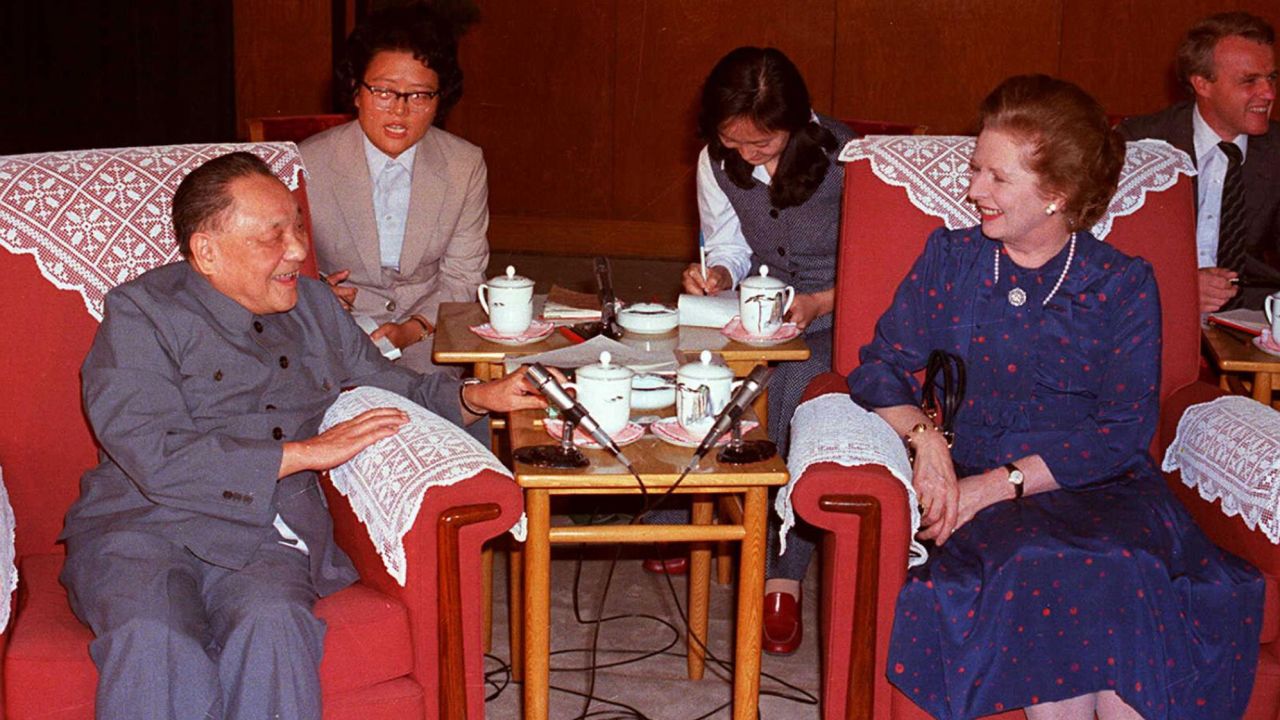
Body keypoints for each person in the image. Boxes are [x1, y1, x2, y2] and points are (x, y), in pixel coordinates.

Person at [58, 152, 546, 719]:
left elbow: (393, 387)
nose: (296, 250)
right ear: (207, 251)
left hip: (262, 529)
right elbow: (150, 450)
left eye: (297, 228)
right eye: (274, 235)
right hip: (140, 525)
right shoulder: (142, 313)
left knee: (274, 625)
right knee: (152, 638)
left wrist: (478, 397)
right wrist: (304, 453)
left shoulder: (314, 306)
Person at [849, 74, 1262, 719]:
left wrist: (995, 487)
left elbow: (1121, 432)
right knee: (1041, 564)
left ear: (1057, 195)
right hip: (986, 494)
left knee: (1124, 567)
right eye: (975, 169)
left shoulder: (1122, 284)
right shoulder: (952, 259)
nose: (974, 190)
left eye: (997, 177)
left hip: (1100, 487)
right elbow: (880, 367)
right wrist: (925, 441)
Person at [648, 46, 853, 656]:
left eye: (761, 143)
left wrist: (821, 301)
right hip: (761, 303)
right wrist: (716, 275)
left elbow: (881, 264)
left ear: (795, 122)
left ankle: (781, 572)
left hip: (841, 307)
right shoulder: (718, 160)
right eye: (731, 142)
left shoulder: (848, 157)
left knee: (791, 385)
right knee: (688, 362)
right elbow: (731, 246)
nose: (745, 155)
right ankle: (695, 514)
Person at [301, 2, 488, 373]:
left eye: (419, 95)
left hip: (429, 333)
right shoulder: (308, 163)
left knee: (440, 403)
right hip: (334, 332)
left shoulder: (464, 165)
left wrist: (411, 330)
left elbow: (463, 277)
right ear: (356, 91)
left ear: (440, 99)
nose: (400, 111)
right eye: (384, 92)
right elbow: (280, 268)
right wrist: (317, 292)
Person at [1119, 11, 1279, 313]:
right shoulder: (1140, 144)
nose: (1269, 93)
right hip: (1156, 308)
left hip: (1253, 318)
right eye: (1250, 81)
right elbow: (1106, 252)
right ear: (1202, 84)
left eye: (1271, 77)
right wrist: (1177, 285)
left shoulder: (1275, 152)